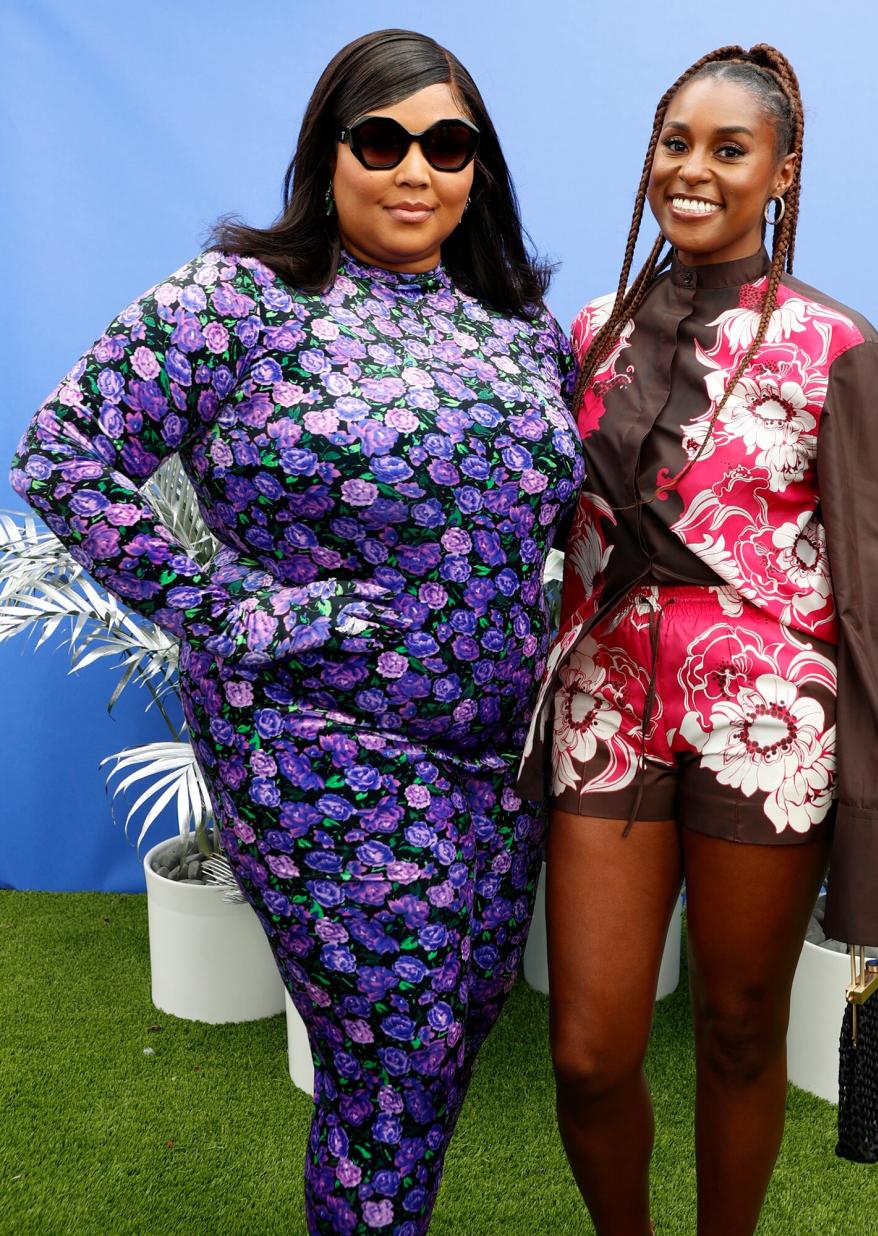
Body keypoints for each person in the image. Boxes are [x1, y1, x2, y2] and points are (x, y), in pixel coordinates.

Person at [10, 28, 583, 1236]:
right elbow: (64, 452)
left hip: (497, 758)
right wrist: (234, 607)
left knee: (444, 1043)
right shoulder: (243, 299)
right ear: (329, 153)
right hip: (322, 747)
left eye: (446, 143)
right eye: (382, 139)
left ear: (479, 167)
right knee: (397, 1062)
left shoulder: (519, 326)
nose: (413, 167)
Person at [518, 43, 878, 1236]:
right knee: (591, 1052)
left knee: (740, 1036)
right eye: (675, 144)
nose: (692, 170)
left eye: (728, 149)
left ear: (781, 174)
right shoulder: (589, 332)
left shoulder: (837, 347)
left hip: (771, 730)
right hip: (605, 712)